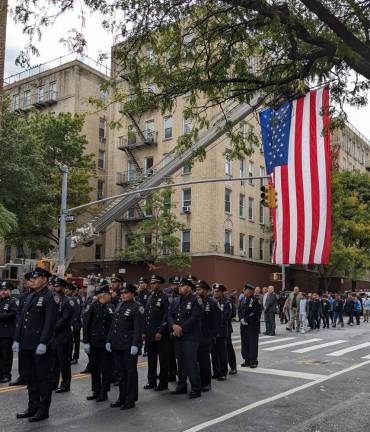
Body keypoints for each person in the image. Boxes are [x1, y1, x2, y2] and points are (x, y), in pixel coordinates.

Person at [13, 267, 57, 422]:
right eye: (31, 278)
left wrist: (43, 342)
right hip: (27, 344)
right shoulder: (31, 296)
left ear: (44, 280)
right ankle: (32, 407)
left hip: (39, 345)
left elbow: (49, 322)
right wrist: (17, 339)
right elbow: (22, 321)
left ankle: (43, 410)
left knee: (43, 378)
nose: (31, 280)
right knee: (31, 378)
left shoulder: (50, 296)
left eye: (35, 277)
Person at [106, 283, 144, 410]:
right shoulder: (120, 304)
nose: (122, 295)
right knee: (121, 374)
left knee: (130, 373)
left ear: (133, 294)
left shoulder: (137, 307)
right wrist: (109, 340)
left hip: (128, 345)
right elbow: (114, 325)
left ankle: (130, 399)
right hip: (117, 344)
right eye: (121, 293)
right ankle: (121, 397)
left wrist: (135, 345)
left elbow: (138, 328)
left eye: (125, 293)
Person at [168, 277, 203, 399]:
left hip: (190, 336)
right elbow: (169, 315)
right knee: (181, 362)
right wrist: (173, 325)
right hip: (178, 336)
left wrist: (180, 328)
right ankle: (182, 385)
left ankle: (196, 388)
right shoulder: (176, 300)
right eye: (179, 286)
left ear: (188, 287)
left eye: (181, 286)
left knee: (191, 362)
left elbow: (195, 318)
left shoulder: (196, 300)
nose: (179, 288)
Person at [83, 283, 114, 402]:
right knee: (95, 369)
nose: (110, 296)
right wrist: (86, 341)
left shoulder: (110, 306)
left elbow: (112, 325)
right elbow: (86, 325)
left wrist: (111, 340)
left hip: (105, 342)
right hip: (94, 342)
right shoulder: (92, 307)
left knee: (105, 369)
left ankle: (104, 392)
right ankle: (96, 390)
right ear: (103, 295)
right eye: (108, 294)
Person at [143, 274, 170, 391]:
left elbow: (166, 316)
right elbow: (146, 315)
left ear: (160, 284)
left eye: (156, 283)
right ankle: (152, 381)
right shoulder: (150, 297)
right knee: (151, 359)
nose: (154, 285)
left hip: (160, 334)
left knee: (163, 360)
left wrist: (160, 331)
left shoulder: (165, 297)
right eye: (152, 283)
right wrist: (144, 331)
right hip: (149, 333)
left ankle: (163, 383)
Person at [195, 280, 221, 391]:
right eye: (196, 289)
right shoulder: (195, 301)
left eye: (199, 289)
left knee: (204, 361)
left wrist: (213, 335)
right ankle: (198, 381)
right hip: (195, 336)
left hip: (206, 336)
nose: (197, 291)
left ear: (205, 290)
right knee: (195, 361)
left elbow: (217, 320)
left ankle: (206, 383)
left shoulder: (212, 303)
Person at [50, 277, 75, 393]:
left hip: (63, 335)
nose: (55, 288)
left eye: (57, 286)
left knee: (63, 362)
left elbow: (65, 319)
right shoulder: (52, 299)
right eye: (54, 286)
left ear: (63, 287)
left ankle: (66, 384)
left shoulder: (68, 301)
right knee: (54, 361)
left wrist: (52, 328)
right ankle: (53, 383)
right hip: (54, 336)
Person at [9, 272, 33, 387]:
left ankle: (32, 378)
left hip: (34, 331)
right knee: (22, 355)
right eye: (27, 281)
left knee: (33, 357)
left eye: (30, 280)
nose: (27, 283)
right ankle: (22, 376)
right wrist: (19, 322)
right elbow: (19, 312)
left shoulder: (42, 295)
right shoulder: (24, 296)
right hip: (23, 330)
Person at [211, 283, 232, 381]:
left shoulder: (226, 302)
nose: (215, 293)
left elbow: (225, 316)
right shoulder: (212, 301)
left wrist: (215, 323)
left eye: (217, 291)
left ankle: (223, 372)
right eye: (214, 291)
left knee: (222, 353)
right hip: (213, 331)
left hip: (222, 331)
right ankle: (216, 372)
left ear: (222, 292)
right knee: (214, 353)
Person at [239, 283, 261, 368]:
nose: (244, 291)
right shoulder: (242, 300)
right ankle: (246, 359)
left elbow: (255, 312)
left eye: (245, 290)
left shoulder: (255, 300)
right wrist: (241, 318)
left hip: (252, 325)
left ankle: (253, 361)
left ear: (250, 291)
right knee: (244, 342)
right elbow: (239, 310)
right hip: (243, 325)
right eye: (244, 289)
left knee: (252, 343)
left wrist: (246, 319)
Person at [0, 281, 18, 383]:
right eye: (1, 290)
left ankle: (7, 375)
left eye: (5, 290)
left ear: (10, 291)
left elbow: (14, 314)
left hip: (7, 333)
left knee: (6, 355)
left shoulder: (13, 301)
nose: (3, 292)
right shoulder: (0, 301)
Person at [166, 276, 181, 382]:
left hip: (180, 328)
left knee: (180, 355)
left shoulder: (183, 295)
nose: (174, 286)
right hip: (170, 327)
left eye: (176, 284)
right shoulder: (167, 294)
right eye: (173, 284)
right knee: (169, 354)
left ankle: (182, 376)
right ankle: (171, 373)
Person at [66, 283, 83, 365]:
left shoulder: (75, 299)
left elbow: (76, 313)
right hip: (75, 323)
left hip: (75, 324)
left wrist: (72, 324)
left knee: (73, 342)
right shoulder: (72, 298)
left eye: (68, 289)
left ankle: (73, 357)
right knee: (72, 342)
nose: (66, 291)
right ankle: (70, 357)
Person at [226, 290, 237, 375]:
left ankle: (233, 367)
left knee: (229, 348)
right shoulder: (213, 300)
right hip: (214, 329)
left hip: (226, 328)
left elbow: (233, 313)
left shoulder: (228, 301)